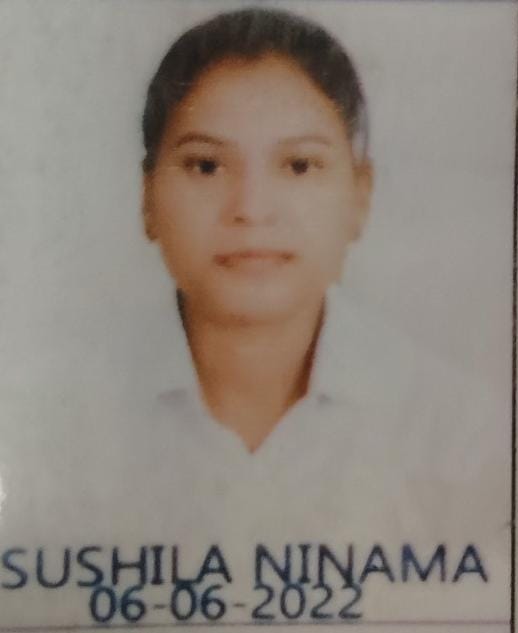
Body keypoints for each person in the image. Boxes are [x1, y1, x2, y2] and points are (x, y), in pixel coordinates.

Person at [141, 7, 373, 453]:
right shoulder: (49, 414)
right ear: (147, 197)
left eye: (299, 165)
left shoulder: (457, 431)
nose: (251, 209)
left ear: (360, 197)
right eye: (206, 166)